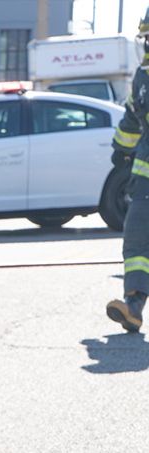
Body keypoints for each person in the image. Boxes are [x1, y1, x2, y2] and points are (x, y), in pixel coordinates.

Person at [107, 9, 149, 332]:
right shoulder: (143, 76)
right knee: (136, 239)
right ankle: (133, 306)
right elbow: (134, 118)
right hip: (145, 182)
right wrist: (122, 148)